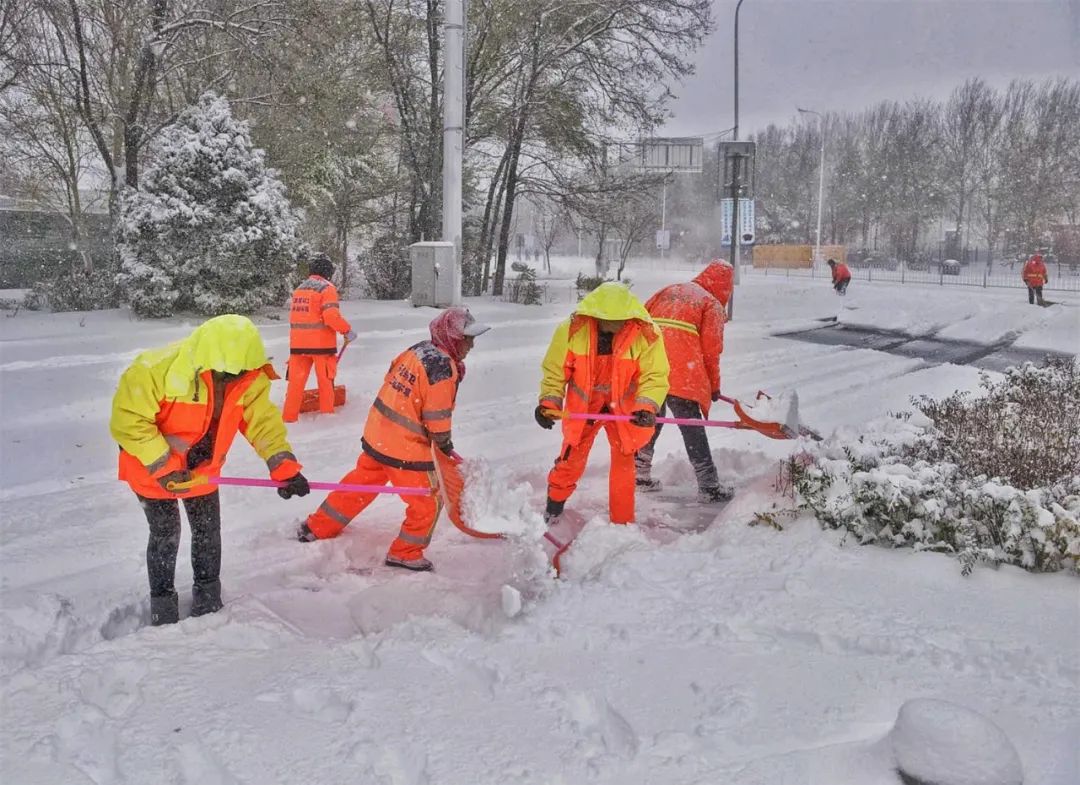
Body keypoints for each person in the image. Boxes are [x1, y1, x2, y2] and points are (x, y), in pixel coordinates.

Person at [109, 315, 310, 625]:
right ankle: (162, 608)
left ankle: (208, 600)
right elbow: (128, 422)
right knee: (165, 533)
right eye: (223, 374)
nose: (230, 380)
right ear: (204, 361)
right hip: (150, 467)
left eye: (238, 374)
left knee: (207, 531)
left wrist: (283, 466)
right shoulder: (153, 371)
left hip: (201, 470)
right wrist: (166, 466)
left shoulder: (249, 377)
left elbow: (263, 423)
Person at [297, 308, 490, 571]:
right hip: (405, 447)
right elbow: (436, 418)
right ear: (452, 338)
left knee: (360, 484)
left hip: (379, 433)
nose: (471, 344)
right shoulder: (442, 368)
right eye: (467, 338)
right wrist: (444, 443)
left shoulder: (418, 350)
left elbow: (391, 378)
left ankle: (318, 526)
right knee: (429, 501)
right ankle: (406, 552)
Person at [535, 282, 670, 525]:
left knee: (624, 462)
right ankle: (553, 508)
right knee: (570, 459)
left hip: (624, 408)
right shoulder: (572, 331)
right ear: (595, 315)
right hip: (584, 407)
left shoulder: (646, 333)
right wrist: (549, 401)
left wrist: (647, 406)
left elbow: (655, 376)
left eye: (621, 319)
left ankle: (622, 522)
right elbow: (555, 370)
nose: (616, 325)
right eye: (610, 319)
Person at [635, 260, 733, 502]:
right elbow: (712, 352)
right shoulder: (710, 304)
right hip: (682, 373)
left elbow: (639, 323)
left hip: (651, 368)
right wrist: (714, 384)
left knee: (651, 418)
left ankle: (639, 474)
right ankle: (709, 486)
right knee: (691, 427)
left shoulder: (670, 290)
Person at [283, 253, 356, 422]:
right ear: (328, 272)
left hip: (298, 346)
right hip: (321, 346)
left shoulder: (299, 288)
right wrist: (347, 331)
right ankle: (327, 417)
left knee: (295, 384)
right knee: (325, 382)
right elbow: (331, 316)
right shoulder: (327, 288)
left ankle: (289, 418)